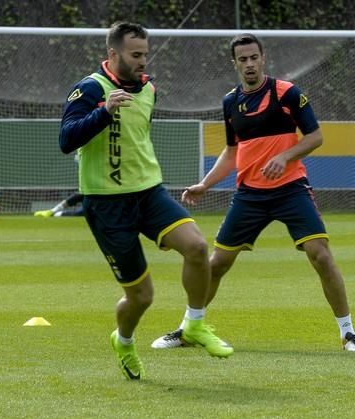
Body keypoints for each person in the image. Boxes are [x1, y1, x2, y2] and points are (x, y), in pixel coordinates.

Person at [152, 33, 355, 352]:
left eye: (254, 57)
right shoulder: (230, 102)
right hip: (249, 195)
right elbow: (231, 152)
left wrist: (284, 156)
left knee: (319, 254)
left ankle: (348, 333)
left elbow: (315, 136)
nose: (249, 64)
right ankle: (188, 329)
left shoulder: (287, 93)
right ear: (235, 63)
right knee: (217, 264)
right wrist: (204, 184)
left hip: (291, 190)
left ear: (263, 58)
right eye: (243, 59)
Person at [59, 22, 233, 380]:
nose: (142, 61)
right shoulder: (90, 89)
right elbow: (66, 140)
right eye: (134, 55)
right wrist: (103, 112)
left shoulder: (149, 89)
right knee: (141, 297)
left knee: (198, 248)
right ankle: (123, 340)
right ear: (113, 54)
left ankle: (195, 324)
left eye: (145, 55)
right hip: (106, 204)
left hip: (149, 193)